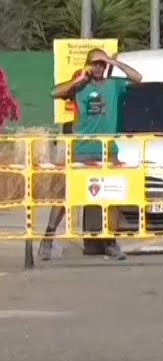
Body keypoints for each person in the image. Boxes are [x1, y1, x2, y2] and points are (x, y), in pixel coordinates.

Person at [41, 48, 143, 261]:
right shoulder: (80, 86)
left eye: (101, 64)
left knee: (113, 195)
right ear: (88, 65)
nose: (98, 67)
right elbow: (53, 92)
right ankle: (47, 238)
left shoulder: (114, 85)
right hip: (82, 151)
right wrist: (79, 79)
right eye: (95, 63)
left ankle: (110, 242)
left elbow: (138, 78)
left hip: (108, 151)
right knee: (65, 194)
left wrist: (113, 62)